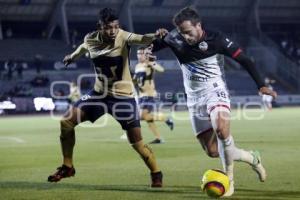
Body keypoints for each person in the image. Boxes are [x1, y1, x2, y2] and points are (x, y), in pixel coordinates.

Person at [152, 7, 277, 196]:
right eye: (181, 32)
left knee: (221, 130)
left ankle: (229, 181)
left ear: (198, 25)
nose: (185, 36)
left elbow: (245, 60)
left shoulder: (217, 39)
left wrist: (261, 85)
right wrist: (155, 40)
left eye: (188, 31)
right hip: (194, 100)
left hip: (215, 92)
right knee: (212, 151)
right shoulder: (174, 38)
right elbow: (149, 47)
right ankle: (252, 158)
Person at [47, 8, 167, 187]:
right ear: (100, 27)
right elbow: (83, 47)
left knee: (137, 143)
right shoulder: (91, 38)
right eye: (108, 27)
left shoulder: (123, 36)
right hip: (99, 94)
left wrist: (157, 35)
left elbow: (142, 38)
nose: (113, 31)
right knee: (66, 122)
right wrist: (72, 57)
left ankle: (156, 172)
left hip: (123, 98)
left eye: (116, 27)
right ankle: (67, 166)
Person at [130, 46, 174, 144]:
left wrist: (152, 63)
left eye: (142, 53)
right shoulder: (137, 66)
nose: (139, 56)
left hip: (149, 95)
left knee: (142, 115)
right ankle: (159, 138)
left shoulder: (149, 64)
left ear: (146, 55)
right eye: (138, 53)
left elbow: (161, 69)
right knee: (146, 117)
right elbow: (136, 80)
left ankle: (166, 119)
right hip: (141, 95)